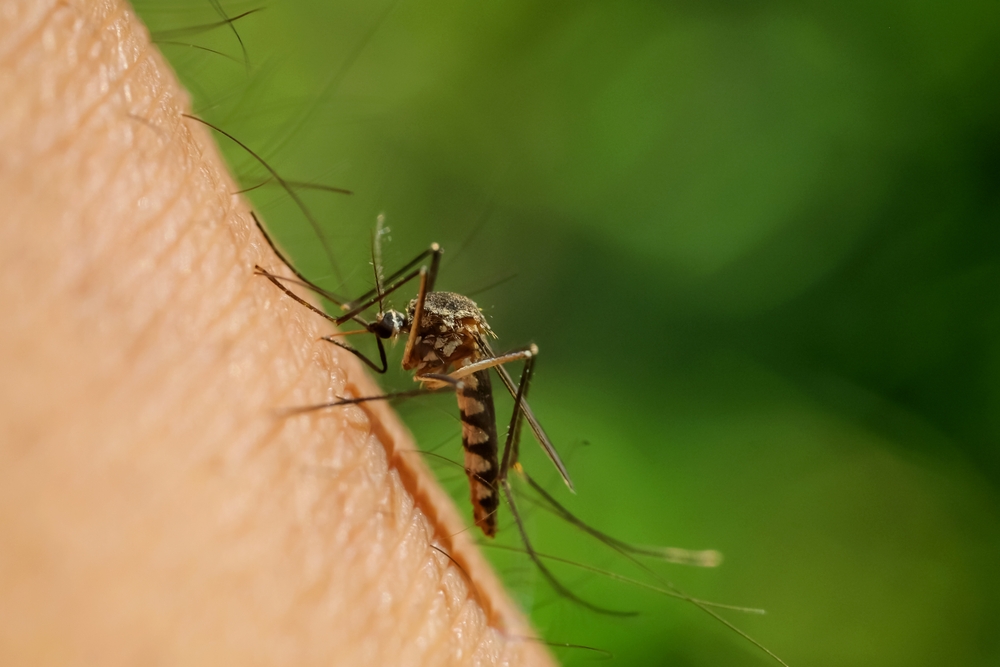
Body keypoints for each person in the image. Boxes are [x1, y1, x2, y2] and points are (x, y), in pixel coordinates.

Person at [0, 1, 552, 664]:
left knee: (478, 336)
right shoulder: (416, 322)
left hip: (474, 389)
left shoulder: (436, 330)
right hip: (450, 345)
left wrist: (357, 390)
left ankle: (509, 470)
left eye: (387, 322)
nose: (385, 330)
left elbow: (452, 344)